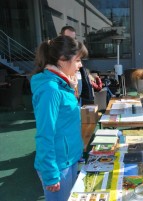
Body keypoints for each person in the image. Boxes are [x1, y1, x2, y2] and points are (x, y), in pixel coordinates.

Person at [31, 35, 88, 201]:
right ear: (63, 59)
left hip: (68, 159)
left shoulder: (64, 84)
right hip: (58, 163)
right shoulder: (51, 89)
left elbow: (65, 124)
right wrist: (50, 173)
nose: (80, 65)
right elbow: (45, 133)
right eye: (77, 60)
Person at [61, 25, 94, 105]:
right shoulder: (53, 86)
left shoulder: (75, 52)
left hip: (75, 86)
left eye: (73, 39)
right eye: (68, 38)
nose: (71, 42)